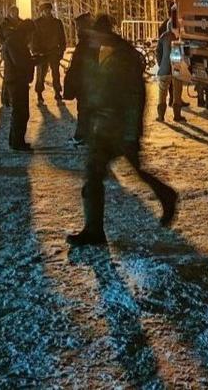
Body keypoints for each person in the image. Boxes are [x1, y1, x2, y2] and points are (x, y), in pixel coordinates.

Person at [68, 14, 178, 246]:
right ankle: (93, 230)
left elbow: (135, 97)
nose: (93, 40)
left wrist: (131, 132)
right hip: (105, 127)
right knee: (94, 174)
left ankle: (167, 195)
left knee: (133, 171)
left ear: (105, 34)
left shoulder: (124, 56)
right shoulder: (103, 51)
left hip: (119, 128)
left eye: (96, 36)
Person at [2, 18, 36, 151]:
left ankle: (15, 141)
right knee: (20, 113)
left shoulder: (16, 41)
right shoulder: (15, 42)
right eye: (31, 34)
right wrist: (34, 61)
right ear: (26, 31)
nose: (31, 37)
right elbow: (20, 62)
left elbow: (22, 60)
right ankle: (17, 142)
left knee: (20, 112)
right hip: (16, 81)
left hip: (16, 80)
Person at [63, 12, 94, 144]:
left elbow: (79, 65)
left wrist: (72, 80)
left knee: (84, 110)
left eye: (78, 27)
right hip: (91, 82)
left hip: (86, 83)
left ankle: (82, 136)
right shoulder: (92, 40)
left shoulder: (85, 43)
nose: (76, 30)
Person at [31, 2, 67, 104]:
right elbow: (34, 39)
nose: (47, 12)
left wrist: (62, 49)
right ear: (42, 11)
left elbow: (62, 37)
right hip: (42, 53)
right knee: (41, 74)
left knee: (56, 73)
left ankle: (57, 92)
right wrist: (36, 51)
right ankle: (39, 93)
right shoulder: (37, 23)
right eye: (45, 10)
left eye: (48, 10)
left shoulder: (57, 22)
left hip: (54, 51)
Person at [154, 6, 185, 123]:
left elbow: (158, 52)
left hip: (164, 69)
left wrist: (161, 63)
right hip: (177, 69)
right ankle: (177, 116)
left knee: (162, 92)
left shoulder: (163, 37)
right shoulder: (180, 38)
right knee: (177, 92)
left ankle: (161, 116)